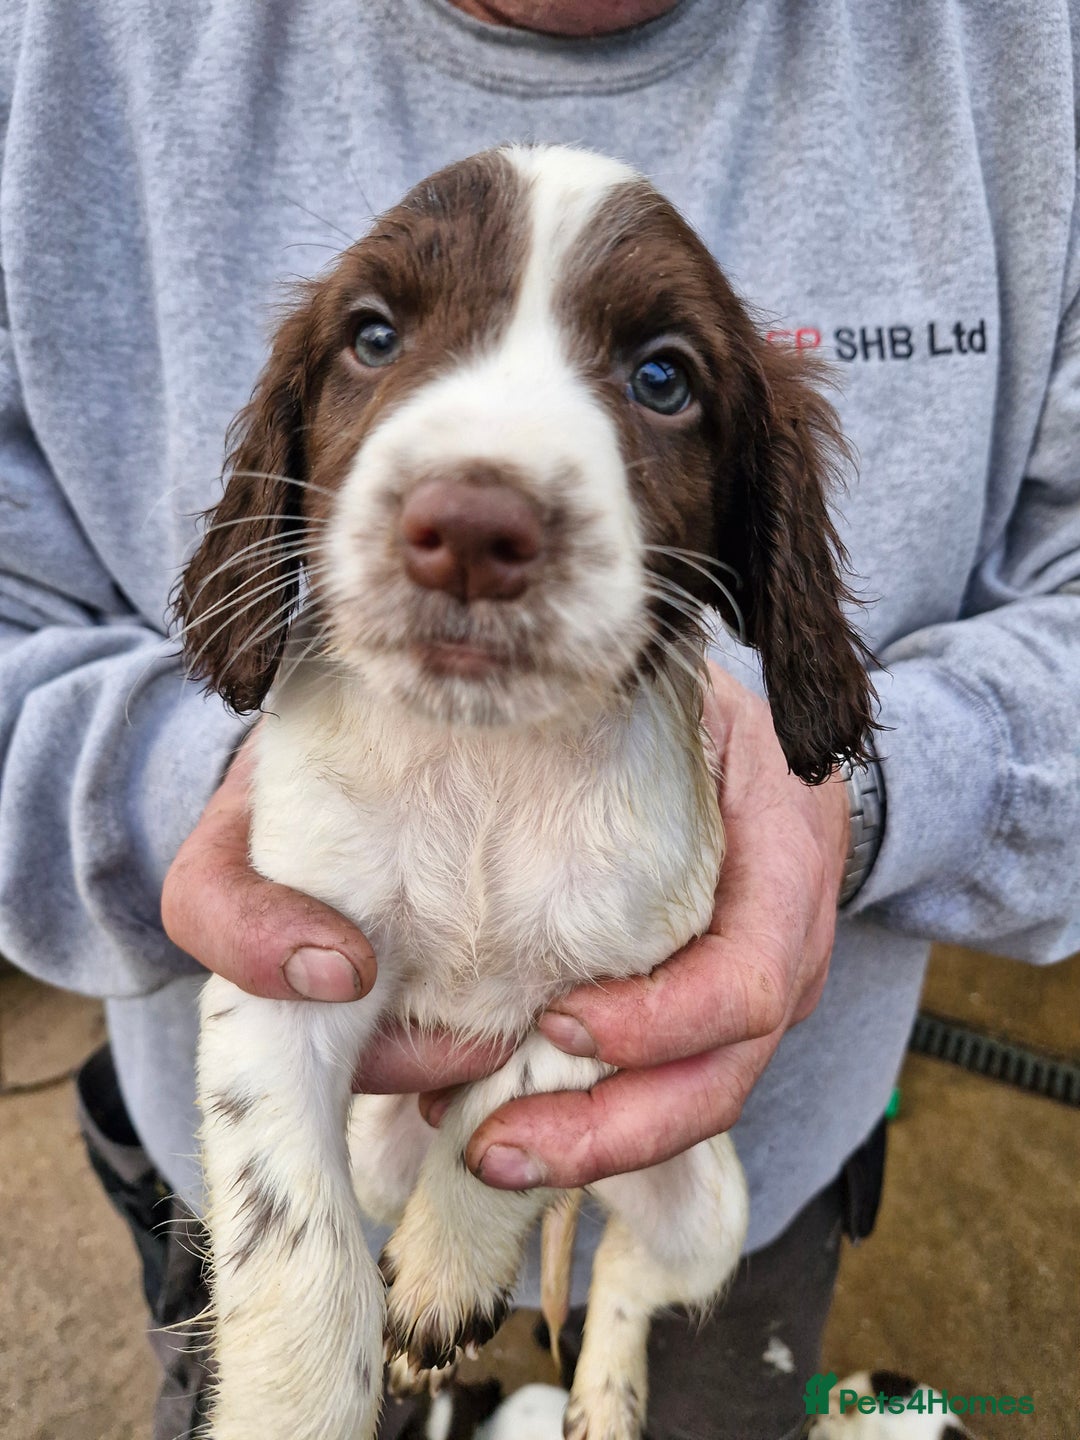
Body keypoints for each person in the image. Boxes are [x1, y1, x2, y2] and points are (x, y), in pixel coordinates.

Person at [1, 2, 1077, 1437]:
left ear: (758, 516)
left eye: (660, 379)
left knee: (691, 1279)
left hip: (743, 1167)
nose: (472, 504)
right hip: (277, 1172)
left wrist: (866, 796)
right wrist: (185, 795)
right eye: (378, 335)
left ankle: (596, 1334)